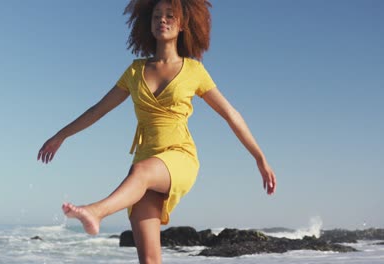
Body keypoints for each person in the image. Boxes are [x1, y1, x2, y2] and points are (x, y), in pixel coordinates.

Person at [37, 0, 277, 263]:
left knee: (140, 172)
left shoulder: (194, 70)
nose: (162, 20)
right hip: (143, 166)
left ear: (183, 24)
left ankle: (95, 211)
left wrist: (259, 157)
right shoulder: (135, 71)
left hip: (179, 157)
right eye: (157, 16)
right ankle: (97, 211)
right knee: (149, 260)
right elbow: (98, 110)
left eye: (170, 16)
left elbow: (231, 114)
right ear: (148, 25)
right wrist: (61, 135)